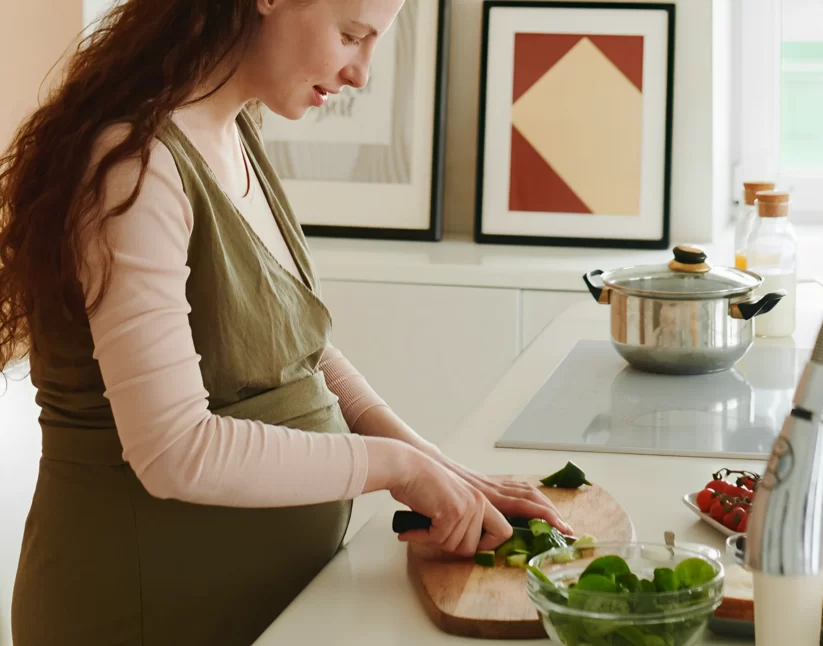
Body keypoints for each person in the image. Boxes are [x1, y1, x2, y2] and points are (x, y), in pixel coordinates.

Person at [0, 1, 571, 644]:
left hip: (262, 606)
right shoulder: (136, 165)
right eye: (352, 35)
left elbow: (291, 342)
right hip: (146, 614)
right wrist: (396, 469)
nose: (361, 74)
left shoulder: (233, 129)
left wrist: (431, 461)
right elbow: (173, 451)